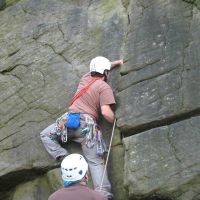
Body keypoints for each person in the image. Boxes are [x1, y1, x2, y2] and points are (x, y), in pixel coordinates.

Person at [40, 56, 123, 199]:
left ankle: (64, 158)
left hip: (68, 121)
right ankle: (103, 195)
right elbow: (105, 112)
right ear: (105, 72)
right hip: (87, 127)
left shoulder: (85, 78)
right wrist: (116, 119)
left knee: (45, 135)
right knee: (95, 161)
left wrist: (116, 62)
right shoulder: (104, 87)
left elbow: (103, 65)